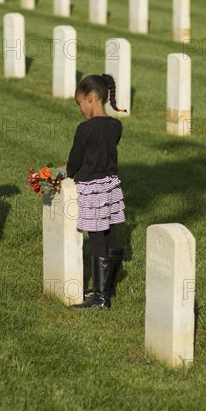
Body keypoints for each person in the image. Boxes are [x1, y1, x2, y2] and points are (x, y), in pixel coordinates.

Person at [66, 74, 126, 309]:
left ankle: (100, 299)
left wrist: (68, 171)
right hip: (111, 186)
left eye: (80, 103)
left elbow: (75, 161)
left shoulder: (85, 129)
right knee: (110, 232)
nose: (80, 109)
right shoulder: (116, 126)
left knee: (96, 236)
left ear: (90, 98)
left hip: (92, 188)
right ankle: (107, 287)